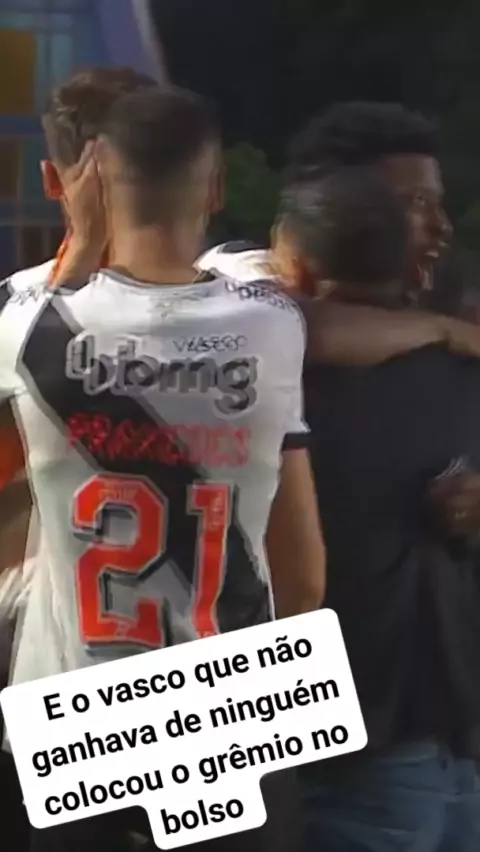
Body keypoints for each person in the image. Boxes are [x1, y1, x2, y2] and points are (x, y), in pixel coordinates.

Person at [0, 85, 324, 852]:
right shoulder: (272, 324)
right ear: (215, 188)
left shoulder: (24, 325)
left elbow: (50, 315)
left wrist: (83, 244)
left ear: (90, 184)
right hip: (227, 718)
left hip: (71, 721)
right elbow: (303, 582)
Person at [273, 168, 480, 852]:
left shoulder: (271, 378)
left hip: (345, 739)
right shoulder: (461, 370)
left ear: (298, 265)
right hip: (448, 731)